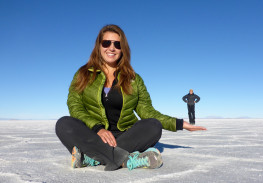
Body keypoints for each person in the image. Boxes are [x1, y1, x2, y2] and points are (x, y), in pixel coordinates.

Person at [55, 24, 207, 171]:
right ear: (99, 46)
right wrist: (98, 128)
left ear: (123, 49)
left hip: (124, 135)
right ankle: (124, 159)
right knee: (64, 124)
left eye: (117, 44)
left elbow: (146, 111)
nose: (112, 48)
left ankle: (93, 158)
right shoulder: (83, 74)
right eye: (106, 43)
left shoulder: (134, 79)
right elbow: (75, 106)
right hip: (94, 133)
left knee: (153, 125)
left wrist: (178, 124)